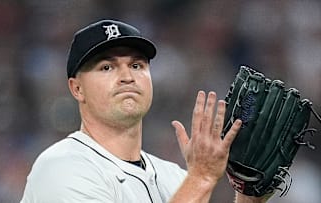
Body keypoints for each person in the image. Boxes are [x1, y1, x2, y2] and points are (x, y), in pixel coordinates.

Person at [20, 19, 272, 203]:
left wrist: (249, 196)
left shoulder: (174, 177)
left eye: (137, 65)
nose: (127, 76)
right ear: (77, 89)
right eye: (107, 67)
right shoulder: (61, 167)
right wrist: (202, 178)